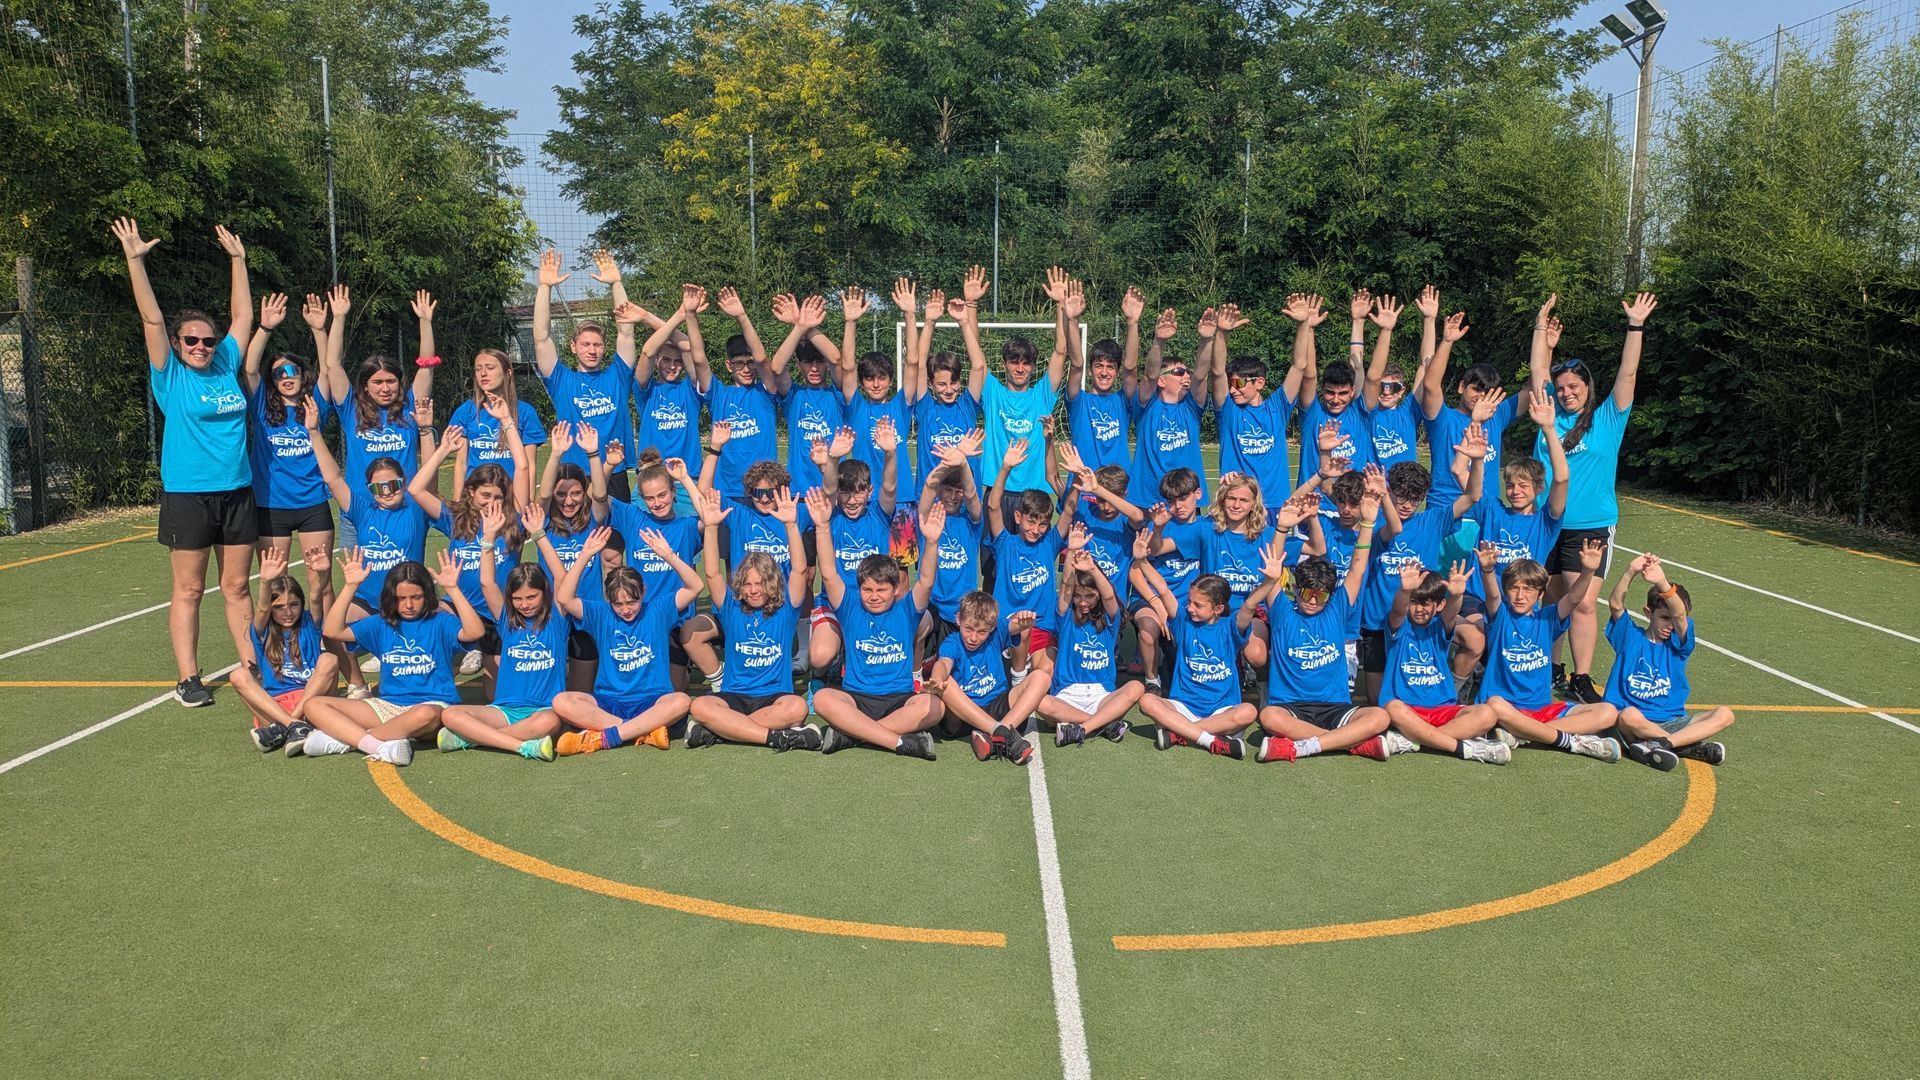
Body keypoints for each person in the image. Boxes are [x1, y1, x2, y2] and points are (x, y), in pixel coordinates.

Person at [113, 216, 257, 707]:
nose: (200, 346)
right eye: (191, 340)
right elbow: (152, 319)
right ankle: (189, 678)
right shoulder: (170, 376)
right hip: (188, 494)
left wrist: (238, 261)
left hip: (237, 491)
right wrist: (135, 261)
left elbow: (243, 318)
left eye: (206, 340)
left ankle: (253, 665)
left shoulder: (224, 363)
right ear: (177, 345)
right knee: (191, 588)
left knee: (237, 585)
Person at [1538, 292, 1661, 704]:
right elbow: (1539, 368)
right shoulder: (1548, 416)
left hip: (1589, 526)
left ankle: (1581, 676)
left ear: (1588, 388)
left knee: (1584, 604)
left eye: (1574, 385)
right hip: (1545, 523)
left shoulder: (1608, 417)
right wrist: (1541, 330)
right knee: (1550, 599)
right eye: (1560, 387)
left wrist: (1635, 325)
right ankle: (1552, 670)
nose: (1566, 392)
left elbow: (1628, 374)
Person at [300, 551, 484, 764]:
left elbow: (475, 632)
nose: (408, 605)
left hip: (433, 707)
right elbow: (332, 631)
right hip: (389, 706)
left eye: (416, 597)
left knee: (425, 713)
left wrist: (452, 589)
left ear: (427, 596)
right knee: (314, 705)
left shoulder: (441, 622)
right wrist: (351, 586)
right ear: (391, 597)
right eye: (401, 598)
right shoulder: (381, 623)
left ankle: (348, 740)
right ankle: (377, 744)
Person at [1254, 494, 1395, 764]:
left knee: (1380, 715)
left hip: (1335, 707)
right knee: (1269, 716)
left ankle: (1302, 747)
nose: (1314, 601)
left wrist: (1367, 522)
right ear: (1296, 589)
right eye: (1308, 593)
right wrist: (1281, 528)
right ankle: (1350, 744)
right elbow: (1272, 570)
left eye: (1322, 595)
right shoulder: (1283, 612)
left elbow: (1356, 568)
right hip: (1290, 707)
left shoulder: (1336, 609)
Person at [808, 492, 945, 760]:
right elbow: (828, 573)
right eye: (867, 589)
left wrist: (931, 542)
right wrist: (823, 527)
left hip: (899, 699)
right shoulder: (849, 607)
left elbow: (926, 581)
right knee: (824, 699)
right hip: (857, 698)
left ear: (896, 589)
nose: (873, 595)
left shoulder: (907, 609)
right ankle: (900, 742)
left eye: (881, 589)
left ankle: (854, 734)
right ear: (858, 589)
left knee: (936, 706)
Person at [685, 489, 821, 751]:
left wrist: (792, 526)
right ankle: (773, 737)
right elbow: (712, 574)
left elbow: (800, 570)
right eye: (747, 584)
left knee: (797, 707)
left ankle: (722, 731)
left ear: (771, 582)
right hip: (734, 694)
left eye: (760, 583)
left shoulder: (787, 609)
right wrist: (711, 528)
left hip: (774, 697)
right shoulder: (732, 608)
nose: (753, 590)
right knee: (700, 705)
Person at [549, 525, 703, 755]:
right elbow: (564, 597)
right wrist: (585, 555)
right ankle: (642, 732)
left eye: (632, 602)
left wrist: (668, 555)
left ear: (644, 590)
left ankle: (605, 737)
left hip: (653, 700)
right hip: (609, 702)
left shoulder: (659, 609)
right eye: (618, 604)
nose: (626, 610)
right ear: (608, 600)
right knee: (561, 701)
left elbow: (696, 586)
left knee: (681, 701)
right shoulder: (600, 613)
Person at [435, 504, 570, 762]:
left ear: (545, 594)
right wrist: (487, 538)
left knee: (549, 722)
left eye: (532, 597)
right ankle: (521, 746)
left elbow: (561, 576)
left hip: (542, 710)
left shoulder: (557, 619)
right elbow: (487, 582)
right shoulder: (507, 620)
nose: (525, 604)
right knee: (449, 715)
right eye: (518, 598)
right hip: (504, 710)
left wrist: (539, 535)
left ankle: (474, 739)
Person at [409, 417, 531, 688]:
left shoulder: (514, 522)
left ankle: (481, 653)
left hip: (498, 613)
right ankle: (428, 690)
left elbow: (522, 467)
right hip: (459, 608)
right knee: (425, 616)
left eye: (498, 497)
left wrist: (508, 422)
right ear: (471, 492)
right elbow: (415, 489)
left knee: (494, 694)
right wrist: (443, 450)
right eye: (485, 495)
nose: (492, 503)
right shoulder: (456, 518)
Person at [1479, 540, 1621, 760]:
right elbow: (1492, 596)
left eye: (1528, 589)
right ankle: (1570, 741)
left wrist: (1588, 571)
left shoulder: (1547, 618)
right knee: (1493, 705)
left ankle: (1523, 734)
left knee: (1608, 711)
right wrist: (1488, 570)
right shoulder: (1501, 616)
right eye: (1514, 588)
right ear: (1506, 591)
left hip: (1542, 710)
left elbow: (1574, 598)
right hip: (1505, 709)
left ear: (1540, 593)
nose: (1520, 595)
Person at [305, 400, 431, 635]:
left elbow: (429, 476)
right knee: (331, 632)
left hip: (405, 601)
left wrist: (424, 431)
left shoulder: (415, 509)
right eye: (378, 487)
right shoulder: (364, 510)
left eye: (393, 484)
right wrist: (313, 432)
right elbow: (333, 479)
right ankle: (354, 674)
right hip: (366, 602)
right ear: (369, 489)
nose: (387, 491)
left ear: (403, 483)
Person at [1604, 553, 1733, 770]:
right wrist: (1630, 571)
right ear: (1648, 613)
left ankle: (1663, 744)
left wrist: (1662, 583)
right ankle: (1688, 748)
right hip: (1634, 722)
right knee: (1629, 715)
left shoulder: (1678, 645)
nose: (1670, 625)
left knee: (1725, 714)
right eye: (1664, 618)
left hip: (1673, 722)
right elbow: (1616, 604)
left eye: (1674, 619)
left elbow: (1680, 616)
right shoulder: (1630, 637)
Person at [1378, 561, 1509, 765]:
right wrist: (1405, 591)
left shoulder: (1439, 628)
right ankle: (1464, 748)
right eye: (1414, 602)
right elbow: (1397, 612)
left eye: (1426, 603)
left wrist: (1456, 595)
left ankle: (1415, 740)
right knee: (1392, 708)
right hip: (1407, 710)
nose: (1419, 609)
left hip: (1442, 709)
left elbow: (1450, 617)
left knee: (1486, 714)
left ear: (1439, 605)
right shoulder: (1399, 628)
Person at [532, 248, 636, 498]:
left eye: (597, 345)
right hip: (574, 474)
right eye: (586, 344)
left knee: (615, 537)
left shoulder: (617, 377)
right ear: (573, 347)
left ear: (604, 348)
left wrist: (616, 283)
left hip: (614, 469)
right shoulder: (561, 380)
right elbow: (541, 338)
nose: (592, 350)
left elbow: (626, 332)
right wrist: (544, 287)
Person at [1137, 566, 1267, 761]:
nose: (1190, 608)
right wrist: (1142, 560)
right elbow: (1163, 589)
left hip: (1221, 711)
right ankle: (1213, 741)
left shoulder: (1230, 627)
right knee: (1147, 701)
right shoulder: (1183, 622)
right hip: (1183, 707)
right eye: (1189, 602)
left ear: (1218, 609)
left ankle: (1179, 734)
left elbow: (1249, 605)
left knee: (1248, 711)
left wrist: (1270, 580)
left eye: (1198, 605)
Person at [970, 266, 1069, 493]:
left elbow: (1060, 351)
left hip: (1033, 492)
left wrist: (1060, 304)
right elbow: (975, 351)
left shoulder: (1041, 395)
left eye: (1026, 363)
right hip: (997, 490)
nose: (1020, 368)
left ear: (1033, 367)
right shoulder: (993, 392)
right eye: (1014, 362)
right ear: (1004, 363)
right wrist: (971, 305)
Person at [1038, 546, 1149, 746]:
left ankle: (1082, 728)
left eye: (1089, 595)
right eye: (1078, 596)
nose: (1082, 602)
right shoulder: (1066, 619)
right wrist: (1071, 551)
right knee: (1041, 702)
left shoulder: (1109, 622)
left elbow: (1109, 596)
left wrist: (1093, 569)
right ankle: (1104, 723)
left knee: (1136, 687)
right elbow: (1065, 588)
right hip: (1067, 695)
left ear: (1098, 594)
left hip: (1101, 696)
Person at [232, 548, 339, 753]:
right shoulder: (262, 631)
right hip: (275, 709)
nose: (288, 612)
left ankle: (291, 727)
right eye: (279, 607)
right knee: (238, 675)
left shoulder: (309, 622)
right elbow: (262, 608)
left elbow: (316, 595)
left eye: (294, 605)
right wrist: (265, 581)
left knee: (329, 659)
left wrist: (323, 572)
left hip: (312, 704)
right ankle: (294, 726)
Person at [1210, 301, 1307, 525]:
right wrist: (1222, 333)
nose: (1233, 389)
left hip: (1273, 504)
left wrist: (1303, 324)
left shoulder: (1277, 407)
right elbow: (1216, 372)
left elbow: (1299, 366)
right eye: (1230, 384)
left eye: (1239, 383)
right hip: (1235, 503)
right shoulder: (1229, 411)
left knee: (1271, 560)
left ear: (1259, 382)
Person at [986, 437, 1077, 671]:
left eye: (1043, 524)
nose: (1036, 530)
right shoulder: (1006, 543)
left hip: (1042, 627)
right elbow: (993, 507)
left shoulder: (1049, 543)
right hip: (1008, 625)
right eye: (1030, 521)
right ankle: (1017, 675)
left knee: (1046, 673)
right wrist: (1005, 468)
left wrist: (1076, 478)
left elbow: (1068, 509)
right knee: (1021, 629)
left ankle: (1025, 673)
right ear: (1018, 517)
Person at [928, 594, 1046, 765]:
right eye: (968, 629)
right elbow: (943, 663)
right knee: (945, 682)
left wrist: (1025, 621)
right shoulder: (952, 643)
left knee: (1041, 677)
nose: (974, 638)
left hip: (997, 707)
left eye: (982, 631)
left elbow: (1017, 626)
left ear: (992, 627)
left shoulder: (997, 633)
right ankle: (1002, 733)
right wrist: (937, 679)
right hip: (963, 714)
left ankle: (997, 735)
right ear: (958, 619)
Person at [1295, 292, 1376, 516]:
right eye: (1330, 392)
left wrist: (1358, 321)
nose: (1336, 399)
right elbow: (1309, 374)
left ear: (1352, 392)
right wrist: (1308, 329)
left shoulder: (1360, 413)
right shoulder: (1313, 412)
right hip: (1313, 508)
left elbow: (1359, 369)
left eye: (1342, 393)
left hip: (1351, 509)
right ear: (1323, 391)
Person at [1131, 467, 1209, 692]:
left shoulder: (1207, 528)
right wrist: (1157, 604)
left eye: (1183, 498)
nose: (1178, 507)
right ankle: (1151, 681)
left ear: (1198, 494)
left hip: (1188, 603)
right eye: (1171, 501)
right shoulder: (1156, 525)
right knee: (1148, 630)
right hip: (1152, 599)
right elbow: (1135, 571)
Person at [1128, 306, 1211, 507]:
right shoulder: (1147, 406)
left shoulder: (1191, 408)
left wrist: (1206, 339)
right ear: (1162, 381)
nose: (1186, 376)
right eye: (1179, 372)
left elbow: (1201, 375)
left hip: (1186, 500)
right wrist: (1159, 341)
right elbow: (1150, 375)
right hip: (1149, 500)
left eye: (1186, 371)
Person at [766, 292, 844, 495]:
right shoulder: (794, 396)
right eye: (809, 362)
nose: (815, 368)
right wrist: (798, 327)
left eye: (819, 362)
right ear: (800, 365)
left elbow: (836, 359)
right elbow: (776, 368)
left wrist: (808, 327)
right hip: (797, 491)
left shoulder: (837, 394)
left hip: (832, 489)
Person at [1066, 286, 1143, 473]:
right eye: (1099, 366)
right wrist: (1072, 320)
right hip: (1082, 489)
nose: (1104, 372)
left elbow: (1131, 368)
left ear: (1116, 372)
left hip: (1117, 489)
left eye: (1110, 367)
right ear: (1091, 371)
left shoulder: (1122, 401)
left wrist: (1132, 323)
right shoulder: (1079, 401)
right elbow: (1076, 364)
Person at [447, 349, 546, 485]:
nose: (483, 373)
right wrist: (458, 501)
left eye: (490, 368)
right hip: (475, 498)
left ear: (508, 373)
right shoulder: (465, 411)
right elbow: (461, 463)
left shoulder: (525, 412)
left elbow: (530, 465)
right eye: (478, 369)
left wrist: (526, 502)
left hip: (511, 497)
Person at [1364, 287, 1427, 471]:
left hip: (1404, 492)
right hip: (1374, 494)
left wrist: (1429, 320)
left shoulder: (1409, 412)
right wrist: (1385, 331)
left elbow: (1425, 366)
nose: (1385, 392)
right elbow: (1365, 374)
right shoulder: (1366, 413)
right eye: (1381, 386)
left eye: (1392, 387)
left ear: (1401, 391)